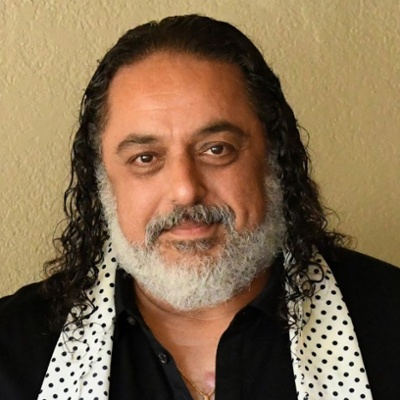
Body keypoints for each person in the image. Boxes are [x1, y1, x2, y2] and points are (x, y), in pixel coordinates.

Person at [0, 14, 399, 400]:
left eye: (216, 149)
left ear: (273, 158)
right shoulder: (11, 351)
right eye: (145, 158)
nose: (185, 190)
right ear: (104, 179)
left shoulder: (390, 320)